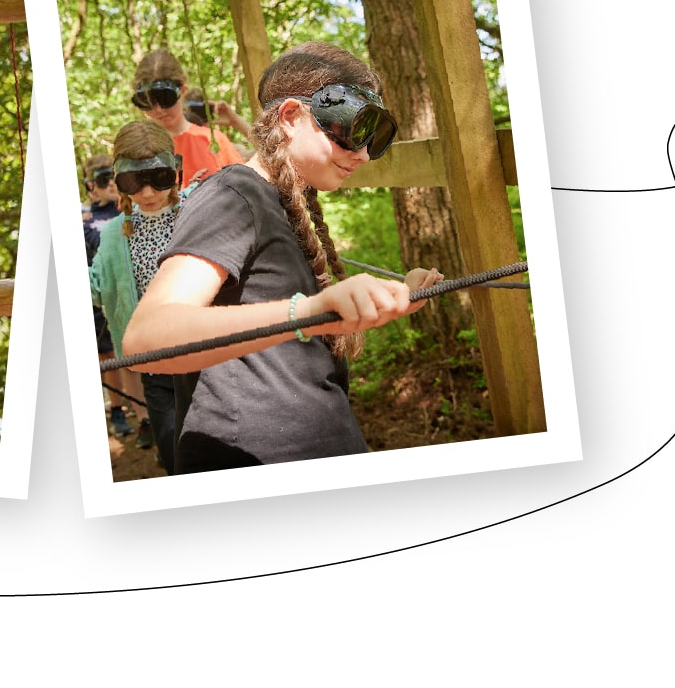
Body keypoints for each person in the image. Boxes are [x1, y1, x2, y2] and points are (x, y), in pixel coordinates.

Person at [123, 42, 444, 472]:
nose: (364, 154)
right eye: (350, 129)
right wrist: (308, 311)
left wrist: (395, 296)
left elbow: (269, 310)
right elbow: (148, 338)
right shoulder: (231, 195)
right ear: (291, 117)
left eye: (375, 138)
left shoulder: (286, 201)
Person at [88, 119, 189, 474]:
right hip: (152, 360)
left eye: (158, 178)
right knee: (172, 448)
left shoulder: (196, 210)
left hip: (206, 354)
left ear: (175, 171)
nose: (146, 192)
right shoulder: (115, 233)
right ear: (119, 180)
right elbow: (96, 288)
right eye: (134, 182)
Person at [82, 154, 142, 443]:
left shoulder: (134, 207)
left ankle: (143, 410)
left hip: (134, 289)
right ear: (90, 185)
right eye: (102, 179)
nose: (109, 185)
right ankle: (118, 410)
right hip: (103, 292)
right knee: (109, 354)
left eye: (112, 177)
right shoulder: (85, 219)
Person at [131, 48, 243, 187]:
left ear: (183, 90)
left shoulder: (213, 140)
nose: (158, 109)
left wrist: (237, 122)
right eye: (148, 102)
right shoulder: (137, 149)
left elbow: (245, 190)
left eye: (166, 98)